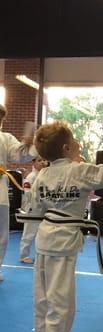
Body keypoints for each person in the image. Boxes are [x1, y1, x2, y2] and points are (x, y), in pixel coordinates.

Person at [23, 120, 103, 332]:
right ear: (66, 148)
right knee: (61, 299)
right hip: (63, 243)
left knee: (42, 295)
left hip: (44, 239)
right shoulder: (79, 171)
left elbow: (37, 206)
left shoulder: (41, 175)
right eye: (73, 139)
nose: (77, 142)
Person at [0, 104, 37, 282]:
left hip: (0, 191)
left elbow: (19, 155)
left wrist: (27, 144)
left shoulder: (5, 137)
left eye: (1, 118)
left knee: (1, 235)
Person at [19, 156, 48, 264]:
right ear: (34, 162)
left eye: (44, 160)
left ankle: (40, 255)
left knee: (42, 234)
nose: (42, 162)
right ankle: (24, 255)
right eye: (39, 160)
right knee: (29, 233)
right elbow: (27, 193)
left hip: (43, 208)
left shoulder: (45, 175)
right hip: (33, 209)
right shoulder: (31, 177)